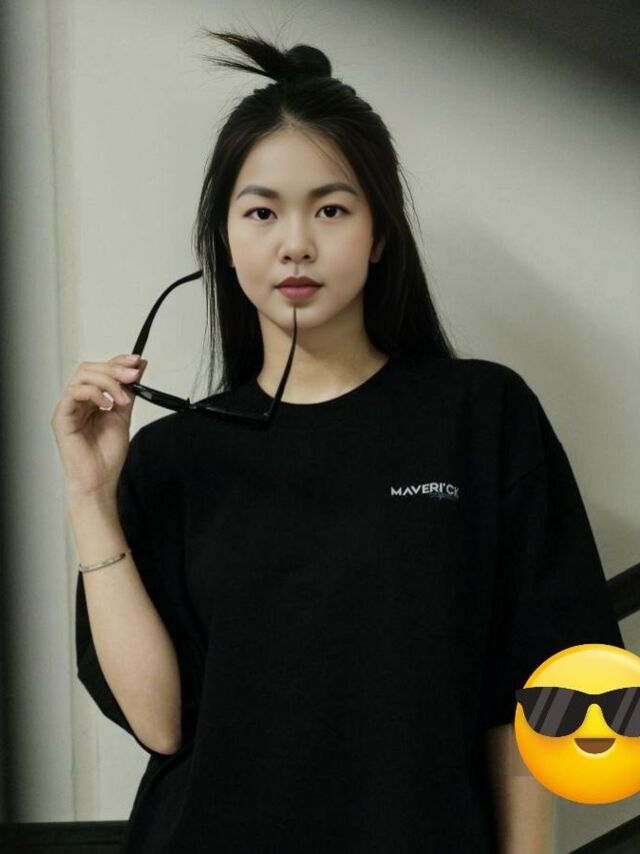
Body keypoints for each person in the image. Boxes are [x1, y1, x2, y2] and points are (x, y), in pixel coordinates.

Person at [50, 27, 625, 854]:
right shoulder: (172, 457)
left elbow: (540, 687)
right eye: (261, 212)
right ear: (225, 240)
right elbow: (161, 726)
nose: (296, 242)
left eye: (331, 209)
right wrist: (89, 496)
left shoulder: (481, 416)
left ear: (379, 234)